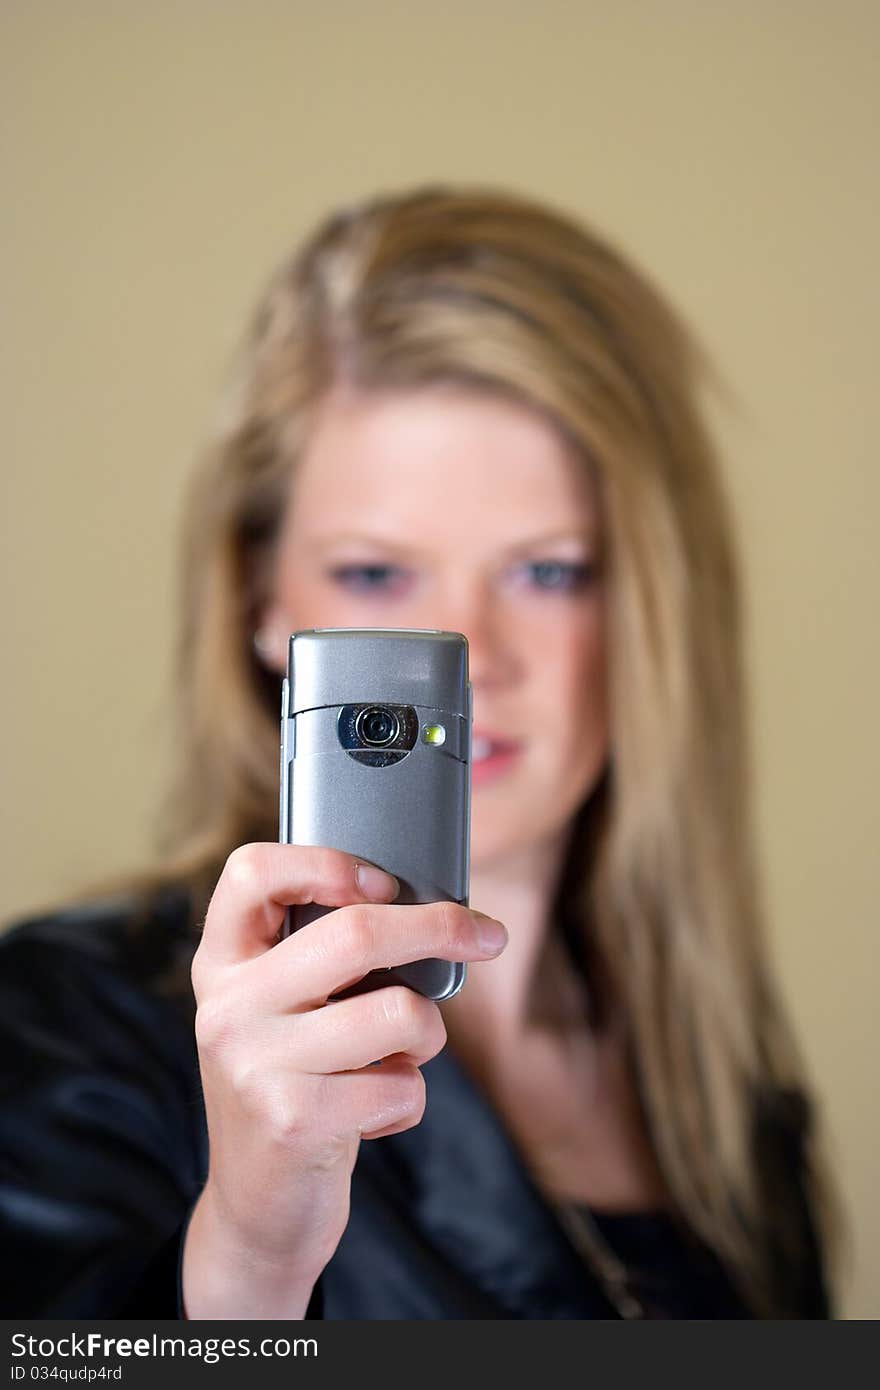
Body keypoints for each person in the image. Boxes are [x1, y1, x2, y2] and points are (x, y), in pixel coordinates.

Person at [0, 185, 838, 1320]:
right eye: (376, 576)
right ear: (259, 599)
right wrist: (246, 1258)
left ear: (655, 607)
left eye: (548, 571)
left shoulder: (727, 1100)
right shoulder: (63, 1029)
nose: (468, 656)